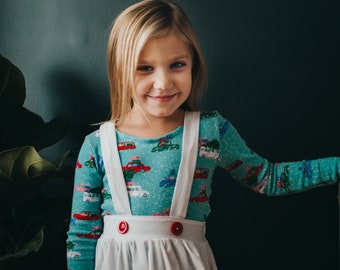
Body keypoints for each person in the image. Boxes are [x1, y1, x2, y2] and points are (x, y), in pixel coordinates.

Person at [66, 0, 340, 269]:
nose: (163, 83)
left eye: (177, 65)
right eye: (145, 68)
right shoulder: (97, 146)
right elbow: (81, 237)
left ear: (193, 64)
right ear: (120, 69)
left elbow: (269, 179)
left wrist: (336, 167)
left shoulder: (211, 131)